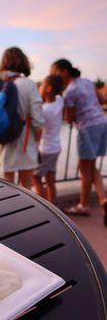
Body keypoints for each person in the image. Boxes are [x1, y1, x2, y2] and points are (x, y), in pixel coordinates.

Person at [51, 58, 107, 225]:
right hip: (102, 123)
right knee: (91, 166)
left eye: (55, 71)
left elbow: (69, 119)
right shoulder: (87, 82)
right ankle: (104, 199)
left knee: (84, 169)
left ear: (64, 71)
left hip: (87, 128)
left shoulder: (69, 92)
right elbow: (103, 100)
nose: (53, 75)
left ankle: (83, 205)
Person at [0, 47, 44, 189]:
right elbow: (37, 118)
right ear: (22, 62)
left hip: (2, 140)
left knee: (7, 187)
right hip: (24, 141)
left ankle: (9, 210)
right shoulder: (28, 84)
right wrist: (37, 138)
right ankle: (25, 211)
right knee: (27, 187)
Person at [33, 75, 64, 204]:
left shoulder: (44, 110)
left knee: (36, 177)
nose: (40, 86)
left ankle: (47, 208)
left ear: (49, 89)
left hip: (45, 149)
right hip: (56, 147)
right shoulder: (59, 100)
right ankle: (54, 206)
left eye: (42, 85)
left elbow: (37, 130)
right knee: (50, 179)